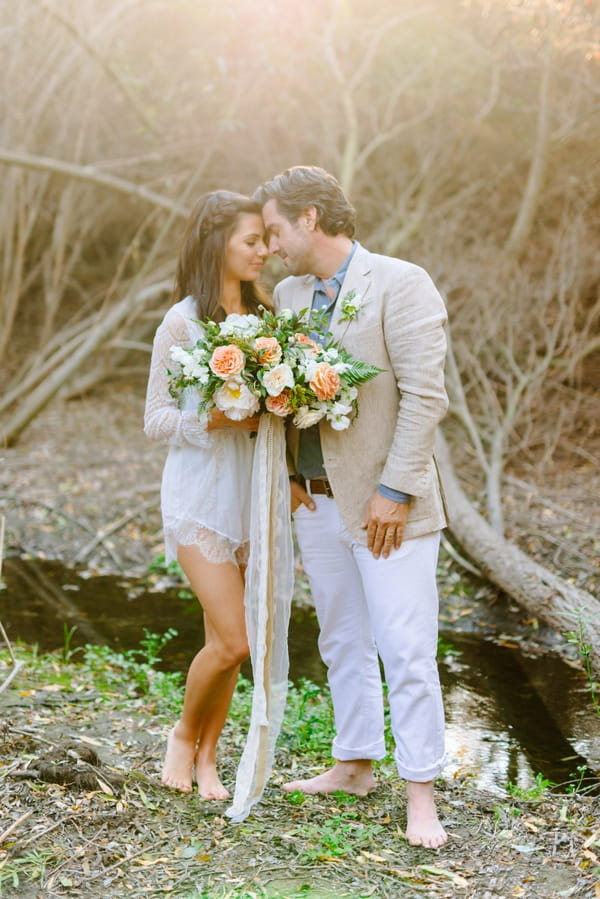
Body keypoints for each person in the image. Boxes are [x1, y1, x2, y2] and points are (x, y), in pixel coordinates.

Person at [254, 166, 450, 848]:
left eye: (277, 229)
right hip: (317, 502)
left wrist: (394, 491)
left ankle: (421, 791)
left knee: (406, 645)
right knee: (341, 638)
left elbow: (427, 395)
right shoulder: (288, 292)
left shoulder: (401, 282)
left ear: (310, 218)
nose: (271, 244)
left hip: (387, 507)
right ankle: (355, 762)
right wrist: (287, 471)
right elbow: (282, 392)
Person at [144, 190, 269, 799]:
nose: (264, 251)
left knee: (227, 645)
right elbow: (155, 419)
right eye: (252, 241)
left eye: (266, 240)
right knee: (234, 637)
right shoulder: (182, 321)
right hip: (198, 495)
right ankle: (181, 736)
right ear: (218, 241)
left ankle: (209, 758)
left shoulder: (268, 323)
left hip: (250, 495)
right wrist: (214, 421)